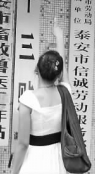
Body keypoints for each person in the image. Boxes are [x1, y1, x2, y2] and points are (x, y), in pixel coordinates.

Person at [12, 20, 70, 174]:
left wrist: (13, 172)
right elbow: (63, 67)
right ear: (59, 74)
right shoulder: (65, 93)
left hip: (34, 162)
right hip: (57, 162)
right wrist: (59, 37)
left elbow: (23, 144)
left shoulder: (28, 100)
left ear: (36, 70)